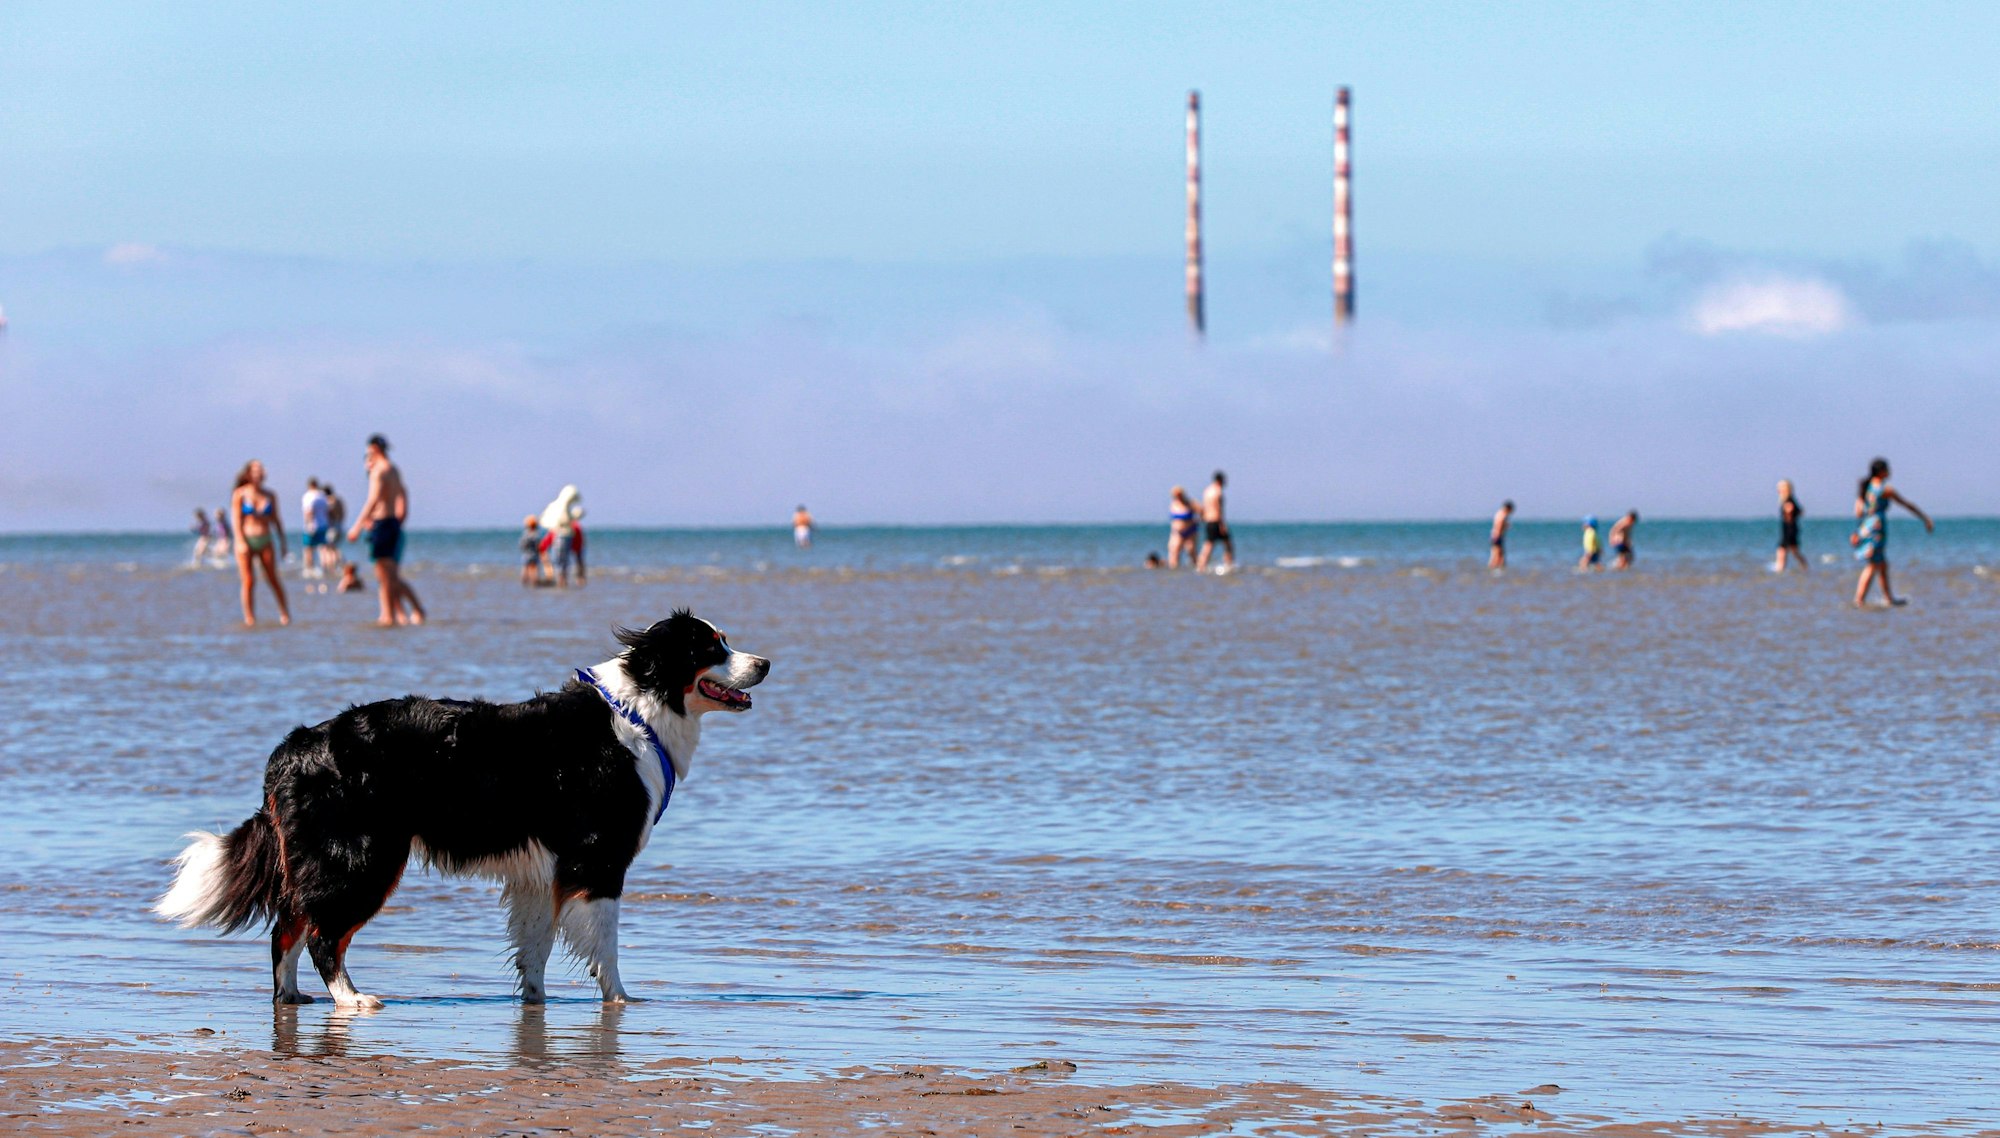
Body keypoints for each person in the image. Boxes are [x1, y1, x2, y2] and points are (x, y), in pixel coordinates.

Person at [346, 434, 426, 626]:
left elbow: (373, 500)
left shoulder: (378, 471)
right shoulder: (393, 469)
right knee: (389, 575)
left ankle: (390, 615)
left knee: (385, 576)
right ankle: (401, 613)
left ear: (374, 448)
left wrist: (357, 525)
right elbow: (402, 493)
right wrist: (402, 514)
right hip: (391, 523)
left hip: (382, 524)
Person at [1851, 457, 1933, 608]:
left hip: (1865, 527)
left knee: (1882, 564)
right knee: (1872, 565)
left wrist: (1856, 531)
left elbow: (1858, 511)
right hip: (1877, 529)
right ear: (1882, 472)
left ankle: (1888, 599)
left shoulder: (1865, 488)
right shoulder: (1884, 489)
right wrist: (1924, 518)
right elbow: (1906, 504)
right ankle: (1859, 599)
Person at [230, 460, 291, 626]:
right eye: (256, 469)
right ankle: (250, 617)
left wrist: (283, 542)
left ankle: (285, 614)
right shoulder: (240, 494)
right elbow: (236, 520)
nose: (259, 472)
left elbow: (276, 520)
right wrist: (240, 541)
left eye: (261, 469)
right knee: (249, 580)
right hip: (246, 540)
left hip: (265, 539)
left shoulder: (270, 495)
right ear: (249, 473)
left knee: (272, 578)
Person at [539, 485, 585, 588]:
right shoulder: (560, 510)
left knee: (561, 560)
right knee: (561, 560)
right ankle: (562, 579)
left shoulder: (570, 522)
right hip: (562, 537)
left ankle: (563, 579)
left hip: (565, 537)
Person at [1195, 471, 1235, 574]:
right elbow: (1219, 509)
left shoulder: (1207, 491)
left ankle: (1201, 565)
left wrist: (1202, 517)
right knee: (1228, 544)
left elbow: (1203, 507)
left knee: (1208, 544)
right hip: (1216, 520)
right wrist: (1222, 524)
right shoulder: (1218, 492)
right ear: (1220, 480)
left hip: (1208, 520)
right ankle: (1229, 565)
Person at [300, 478, 331, 580]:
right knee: (323, 548)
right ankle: (325, 569)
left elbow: (308, 511)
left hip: (312, 525)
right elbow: (327, 511)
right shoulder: (322, 496)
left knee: (308, 548)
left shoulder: (308, 496)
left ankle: (309, 569)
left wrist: (308, 524)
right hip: (323, 525)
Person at [1773, 480, 1806, 572]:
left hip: (1789, 530)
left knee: (1782, 551)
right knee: (1794, 551)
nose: (1779, 491)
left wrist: (1789, 512)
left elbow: (1793, 511)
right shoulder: (1791, 499)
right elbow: (1801, 511)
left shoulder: (1789, 500)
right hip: (1789, 529)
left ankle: (1780, 570)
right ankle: (1804, 567)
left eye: (1780, 489)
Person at [1167, 486, 1200, 568]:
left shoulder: (1190, 503)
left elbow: (1202, 512)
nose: (1178, 497)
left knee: (1191, 550)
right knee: (1174, 551)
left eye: (1179, 495)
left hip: (1190, 531)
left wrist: (1197, 522)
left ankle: (1198, 569)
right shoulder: (1173, 504)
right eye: (1176, 495)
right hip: (1177, 532)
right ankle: (1174, 572)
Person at [322, 482, 348, 574]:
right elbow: (343, 513)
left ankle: (336, 566)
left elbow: (330, 512)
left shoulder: (331, 500)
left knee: (330, 547)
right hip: (339, 525)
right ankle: (339, 565)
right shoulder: (339, 500)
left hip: (333, 526)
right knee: (332, 547)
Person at [519, 516, 546, 586]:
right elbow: (539, 546)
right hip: (534, 555)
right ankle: (534, 582)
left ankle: (524, 582)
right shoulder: (537, 535)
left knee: (525, 569)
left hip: (526, 554)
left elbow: (521, 545)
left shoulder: (525, 534)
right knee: (534, 569)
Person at [1489, 500, 1514, 570]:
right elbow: (1499, 525)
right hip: (1497, 536)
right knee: (1498, 556)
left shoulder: (1499, 513)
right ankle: (1496, 571)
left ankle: (1496, 571)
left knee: (1497, 555)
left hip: (1495, 536)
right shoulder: (1503, 515)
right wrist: (1499, 536)